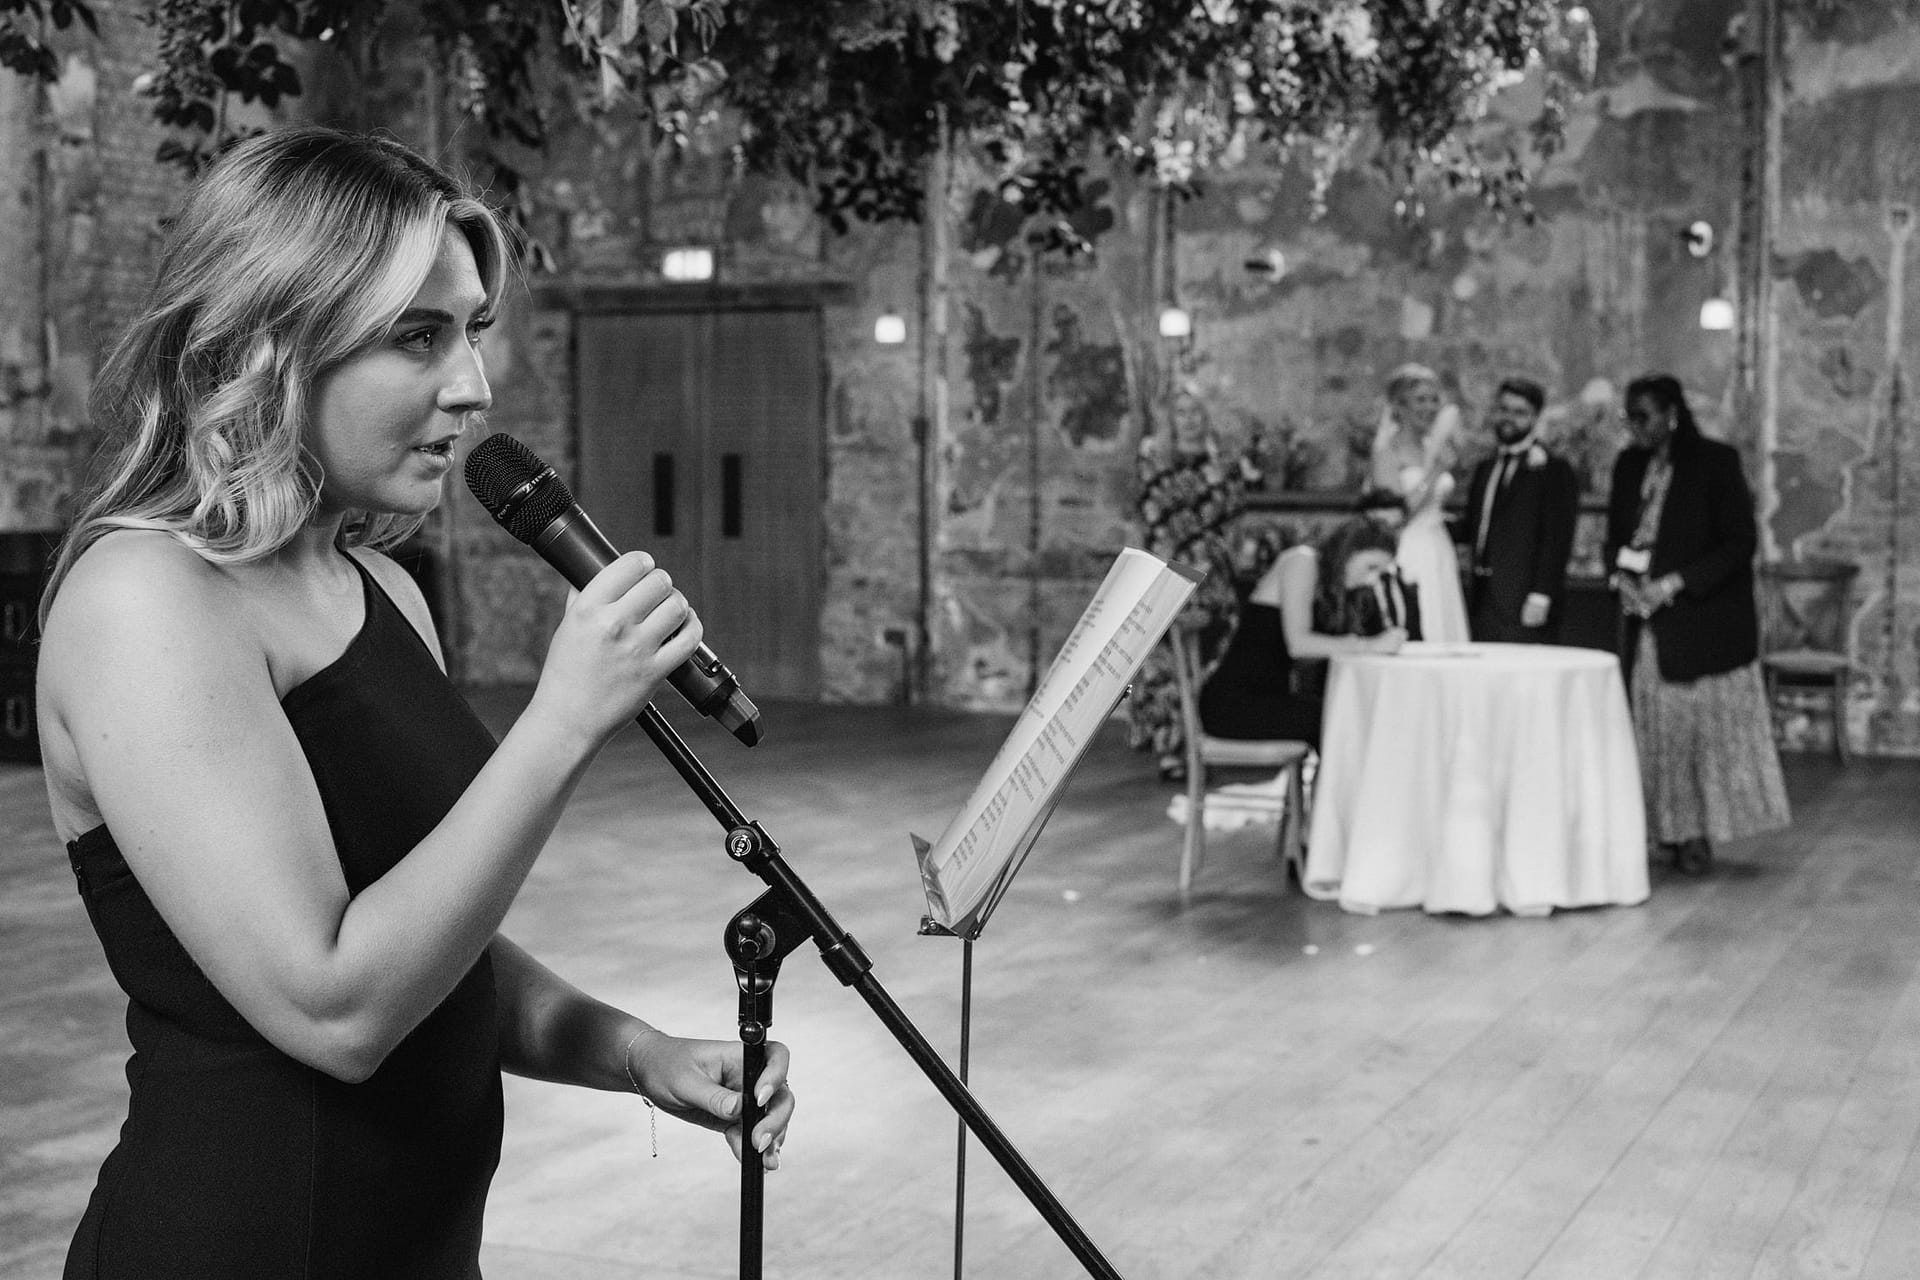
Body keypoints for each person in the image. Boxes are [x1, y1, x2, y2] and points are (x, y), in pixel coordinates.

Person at [34, 127, 794, 1279]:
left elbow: (435, 949)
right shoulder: (146, 599)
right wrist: (562, 719)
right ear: (272, 340)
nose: (474, 387)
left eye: (474, 330)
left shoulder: (377, 583)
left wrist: (632, 1050)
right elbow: (337, 1007)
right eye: (418, 336)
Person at [1604, 373, 1790, 875]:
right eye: (1629, 417)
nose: (1635, 427)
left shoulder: (1714, 462)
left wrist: (1676, 583)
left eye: (1643, 416)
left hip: (1702, 621)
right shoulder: (1628, 466)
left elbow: (1738, 543)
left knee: (1698, 735)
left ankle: (1695, 832)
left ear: (1671, 415)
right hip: (1648, 624)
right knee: (1655, 730)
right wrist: (1619, 578)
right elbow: (1617, 535)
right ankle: (1662, 830)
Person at [1199, 514, 1411, 751]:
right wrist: (1368, 645)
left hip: (1271, 699)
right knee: (1337, 718)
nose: (1372, 579)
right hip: (1233, 704)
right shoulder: (1302, 561)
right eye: (1371, 567)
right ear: (1346, 553)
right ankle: (1343, 788)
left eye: (1380, 572)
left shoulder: (1336, 588)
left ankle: (1346, 787)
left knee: (1353, 712)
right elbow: (1299, 644)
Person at [1128, 381, 1247, 777]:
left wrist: (1212, 561)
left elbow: (1233, 518)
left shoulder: (1222, 463)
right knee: (1166, 663)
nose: (1190, 420)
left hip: (1214, 575)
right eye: (1182, 412)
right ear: (1171, 419)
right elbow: (1153, 519)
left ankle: (1202, 744)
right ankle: (1171, 747)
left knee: (1207, 662)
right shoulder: (1157, 463)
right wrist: (1180, 567)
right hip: (1172, 571)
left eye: (1196, 411)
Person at [1460, 376, 1581, 642]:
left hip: (1525, 599)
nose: (1508, 418)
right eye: (1503, 410)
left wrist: (1541, 594)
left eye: (1519, 412)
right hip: (1482, 597)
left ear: (1535, 417)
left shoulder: (1553, 469)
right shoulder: (1486, 468)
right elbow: (1474, 525)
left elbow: (1557, 538)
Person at [1369, 363, 1471, 642]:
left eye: (1434, 399)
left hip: (1437, 545)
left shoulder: (1433, 445)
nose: (1429, 407)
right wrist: (1435, 471)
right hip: (1407, 549)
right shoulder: (1386, 451)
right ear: (1399, 406)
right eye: (1420, 400)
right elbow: (1395, 515)